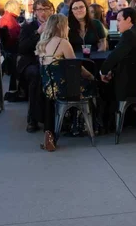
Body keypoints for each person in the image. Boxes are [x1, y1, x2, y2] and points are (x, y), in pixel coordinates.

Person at [35, 14, 96, 151]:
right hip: (65, 90)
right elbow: (77, 68)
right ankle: (87, 125)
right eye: (66, 25)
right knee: (94, 86)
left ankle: (58, 129)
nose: (68, 28)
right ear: (60, 26)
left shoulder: (42, 44)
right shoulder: (63, 43)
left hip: (48, 88)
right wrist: (92, 76)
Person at [20, 0, 55, 132]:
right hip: (32, 62)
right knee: (37, 75)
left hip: (52, 61)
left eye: (46, 9)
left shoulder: (57, 26)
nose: (43, 13)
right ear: (35, 12)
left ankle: (56, 118)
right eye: (40, 9)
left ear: (51, 10)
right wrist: (37, 33)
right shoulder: (28, 27)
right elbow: (22, 48)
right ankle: (32, 118)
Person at [99, 7, 136, 82]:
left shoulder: (129, 34)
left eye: (119, 20)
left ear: (128, 19)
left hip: (130, 80)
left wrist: (103, 71)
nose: (117, 24)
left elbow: (116, 55)